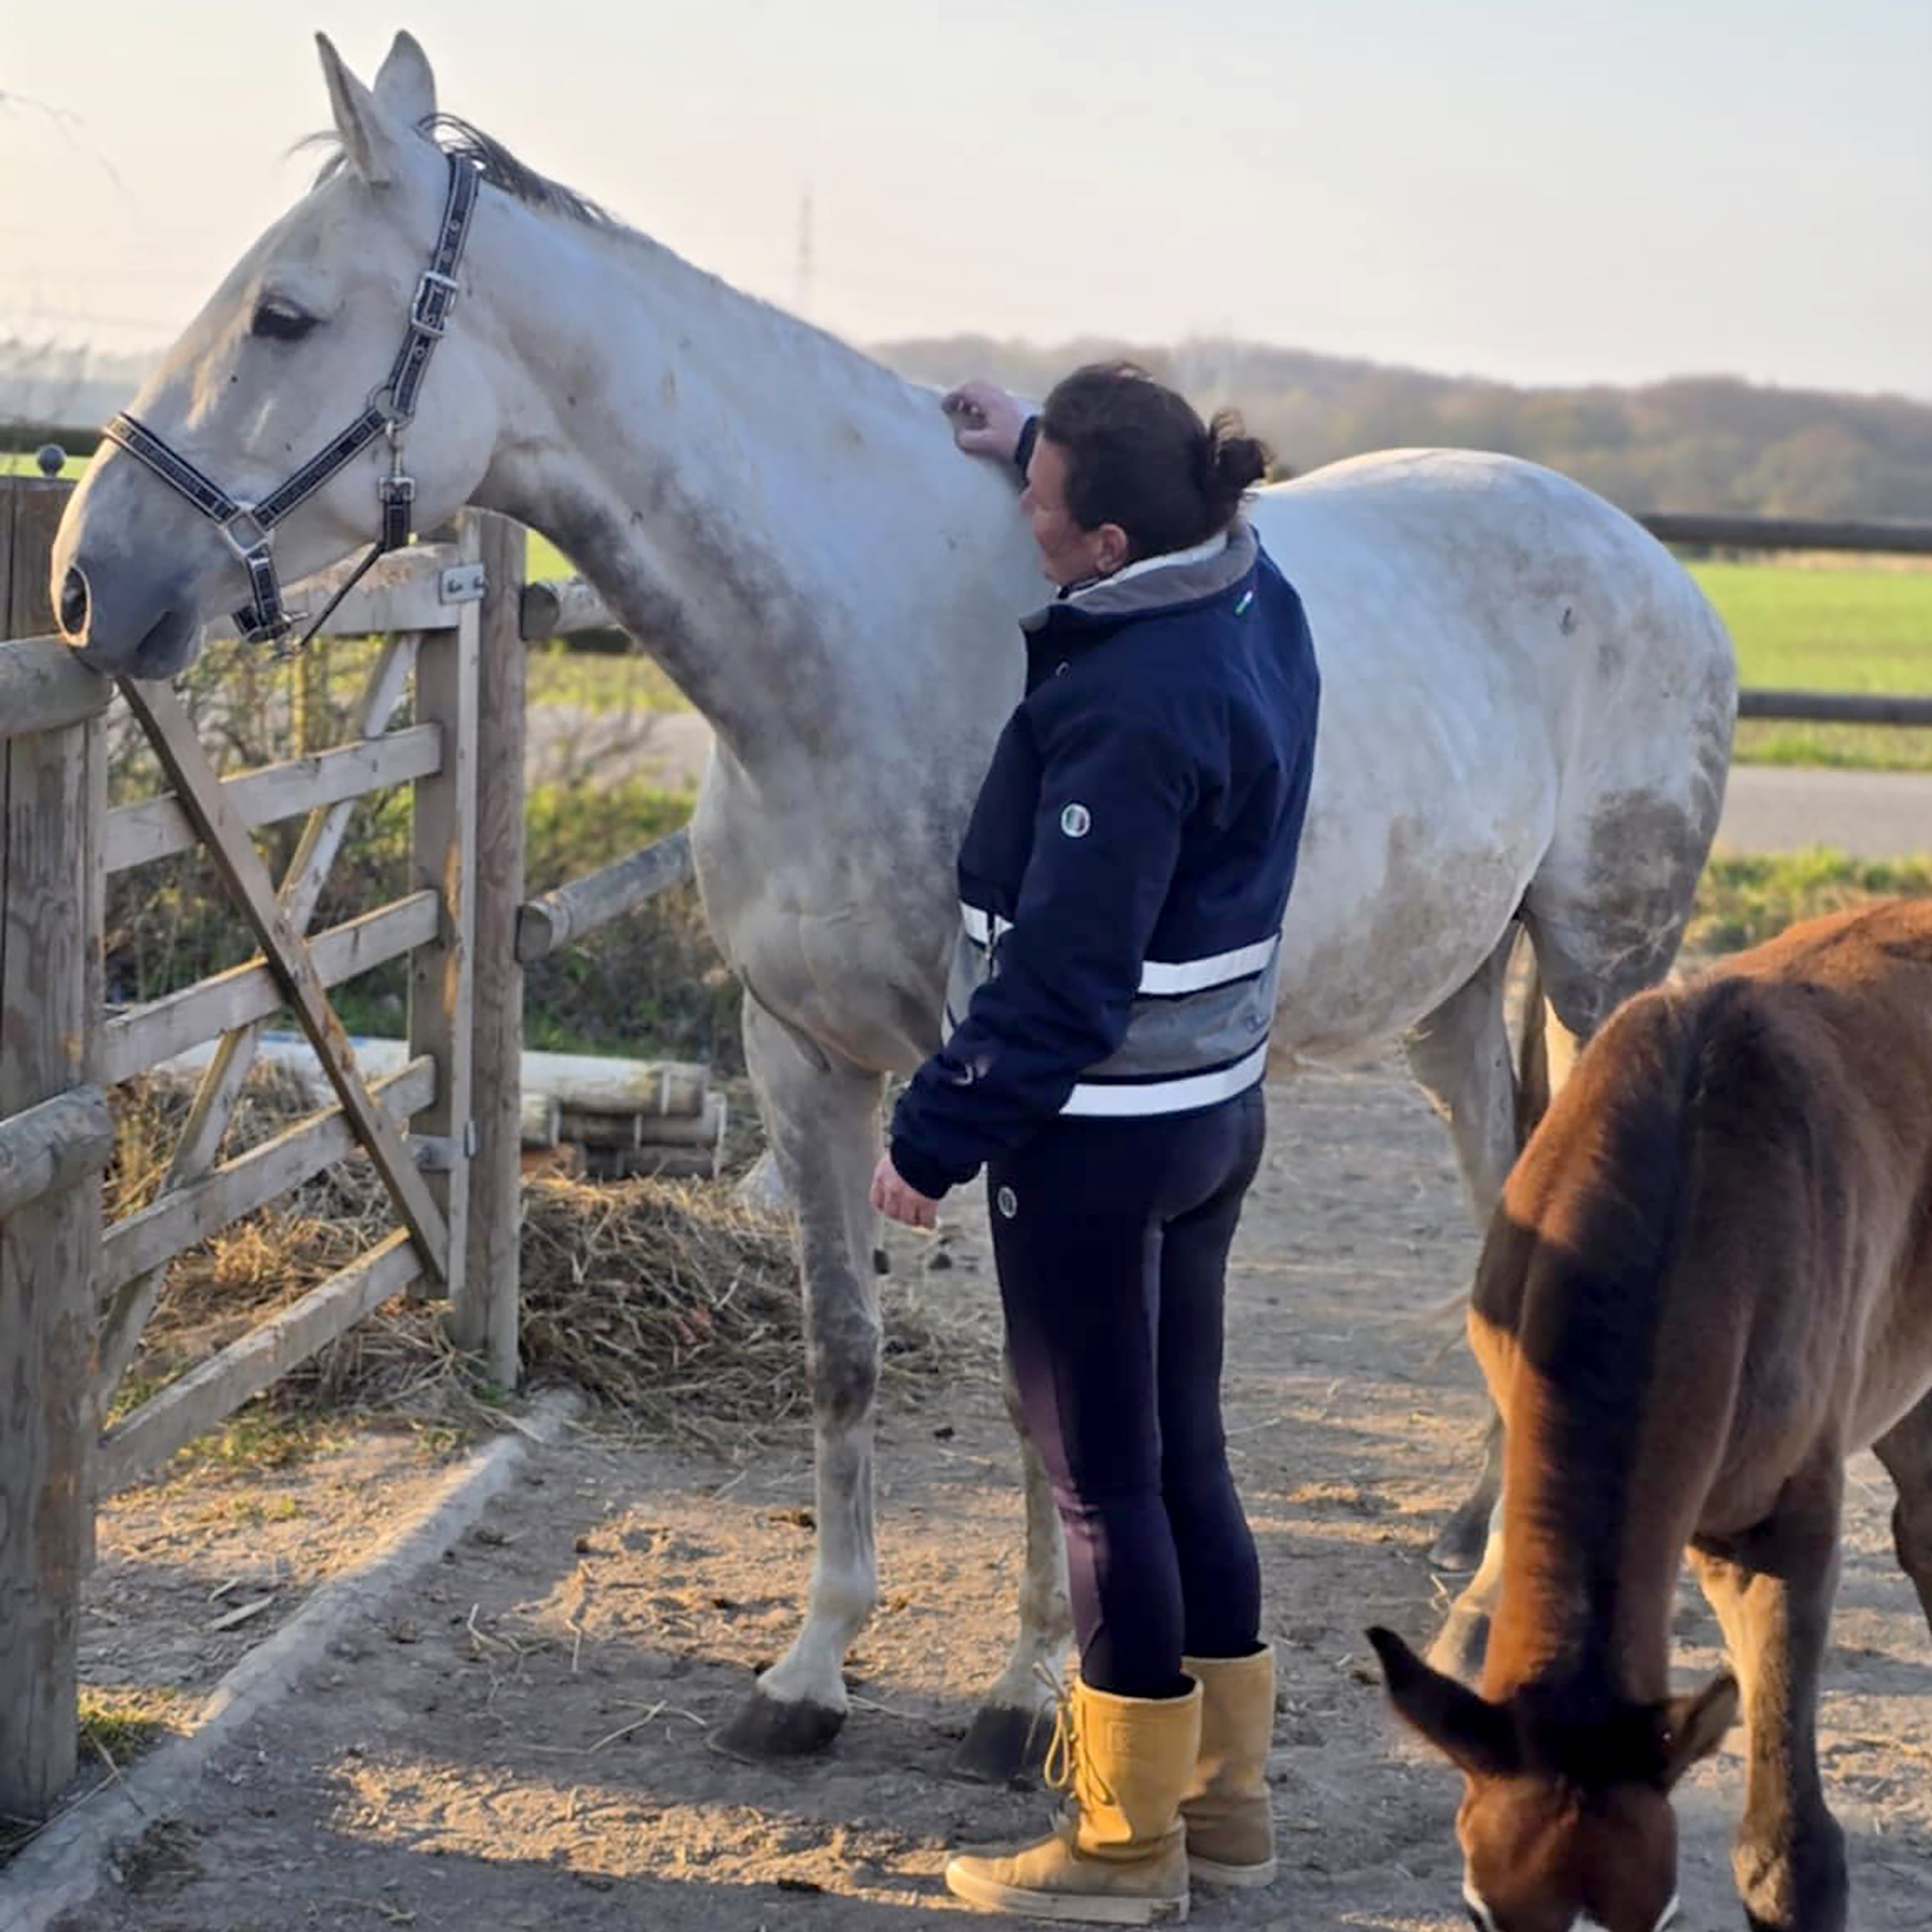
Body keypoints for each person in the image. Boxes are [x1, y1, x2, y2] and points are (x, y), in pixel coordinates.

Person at [869, 362, 1321, 1924]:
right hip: (1213, 1110)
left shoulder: (1131, 709)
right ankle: (1229, 1804)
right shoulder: (1253, 595)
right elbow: (1128, 506)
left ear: (1114, 543)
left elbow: (1062, 985)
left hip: (1099, 1136)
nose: (1033, 523)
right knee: (1182, 1450)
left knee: (1098, 1491)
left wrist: (927, 1139)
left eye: (1050, 511)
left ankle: (1123, 1849)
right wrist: (1029, 456)